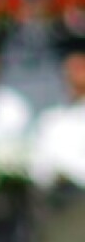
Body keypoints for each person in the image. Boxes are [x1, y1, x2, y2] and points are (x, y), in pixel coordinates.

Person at [29, 48, 85, 192]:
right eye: (70, 69)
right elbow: (39, 168)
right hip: (58, 200)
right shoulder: (51, 119)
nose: (75, 74)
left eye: (80, 67)